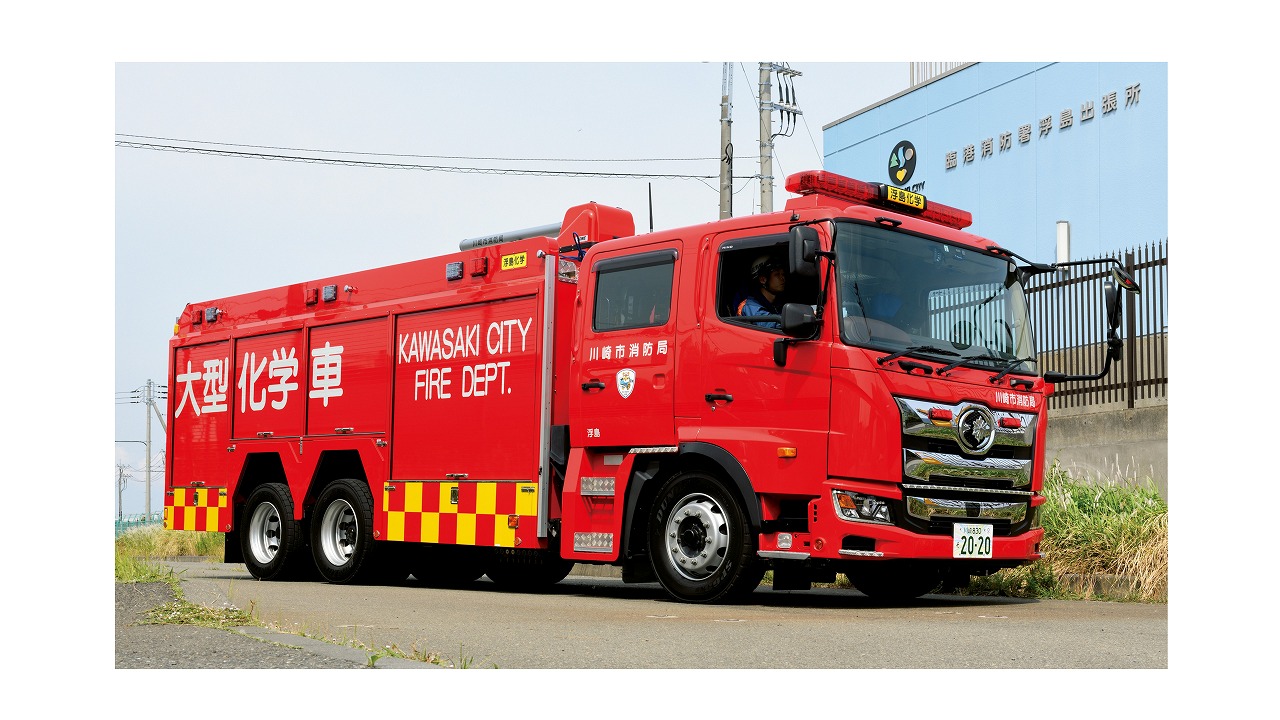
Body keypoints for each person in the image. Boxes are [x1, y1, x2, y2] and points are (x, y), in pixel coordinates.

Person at [736, 254, 787, 329]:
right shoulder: (750, 306)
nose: (782, 278)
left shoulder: (776, 304)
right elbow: (770, 325)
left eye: (783, 274)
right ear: (763, 280)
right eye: (777, 274)